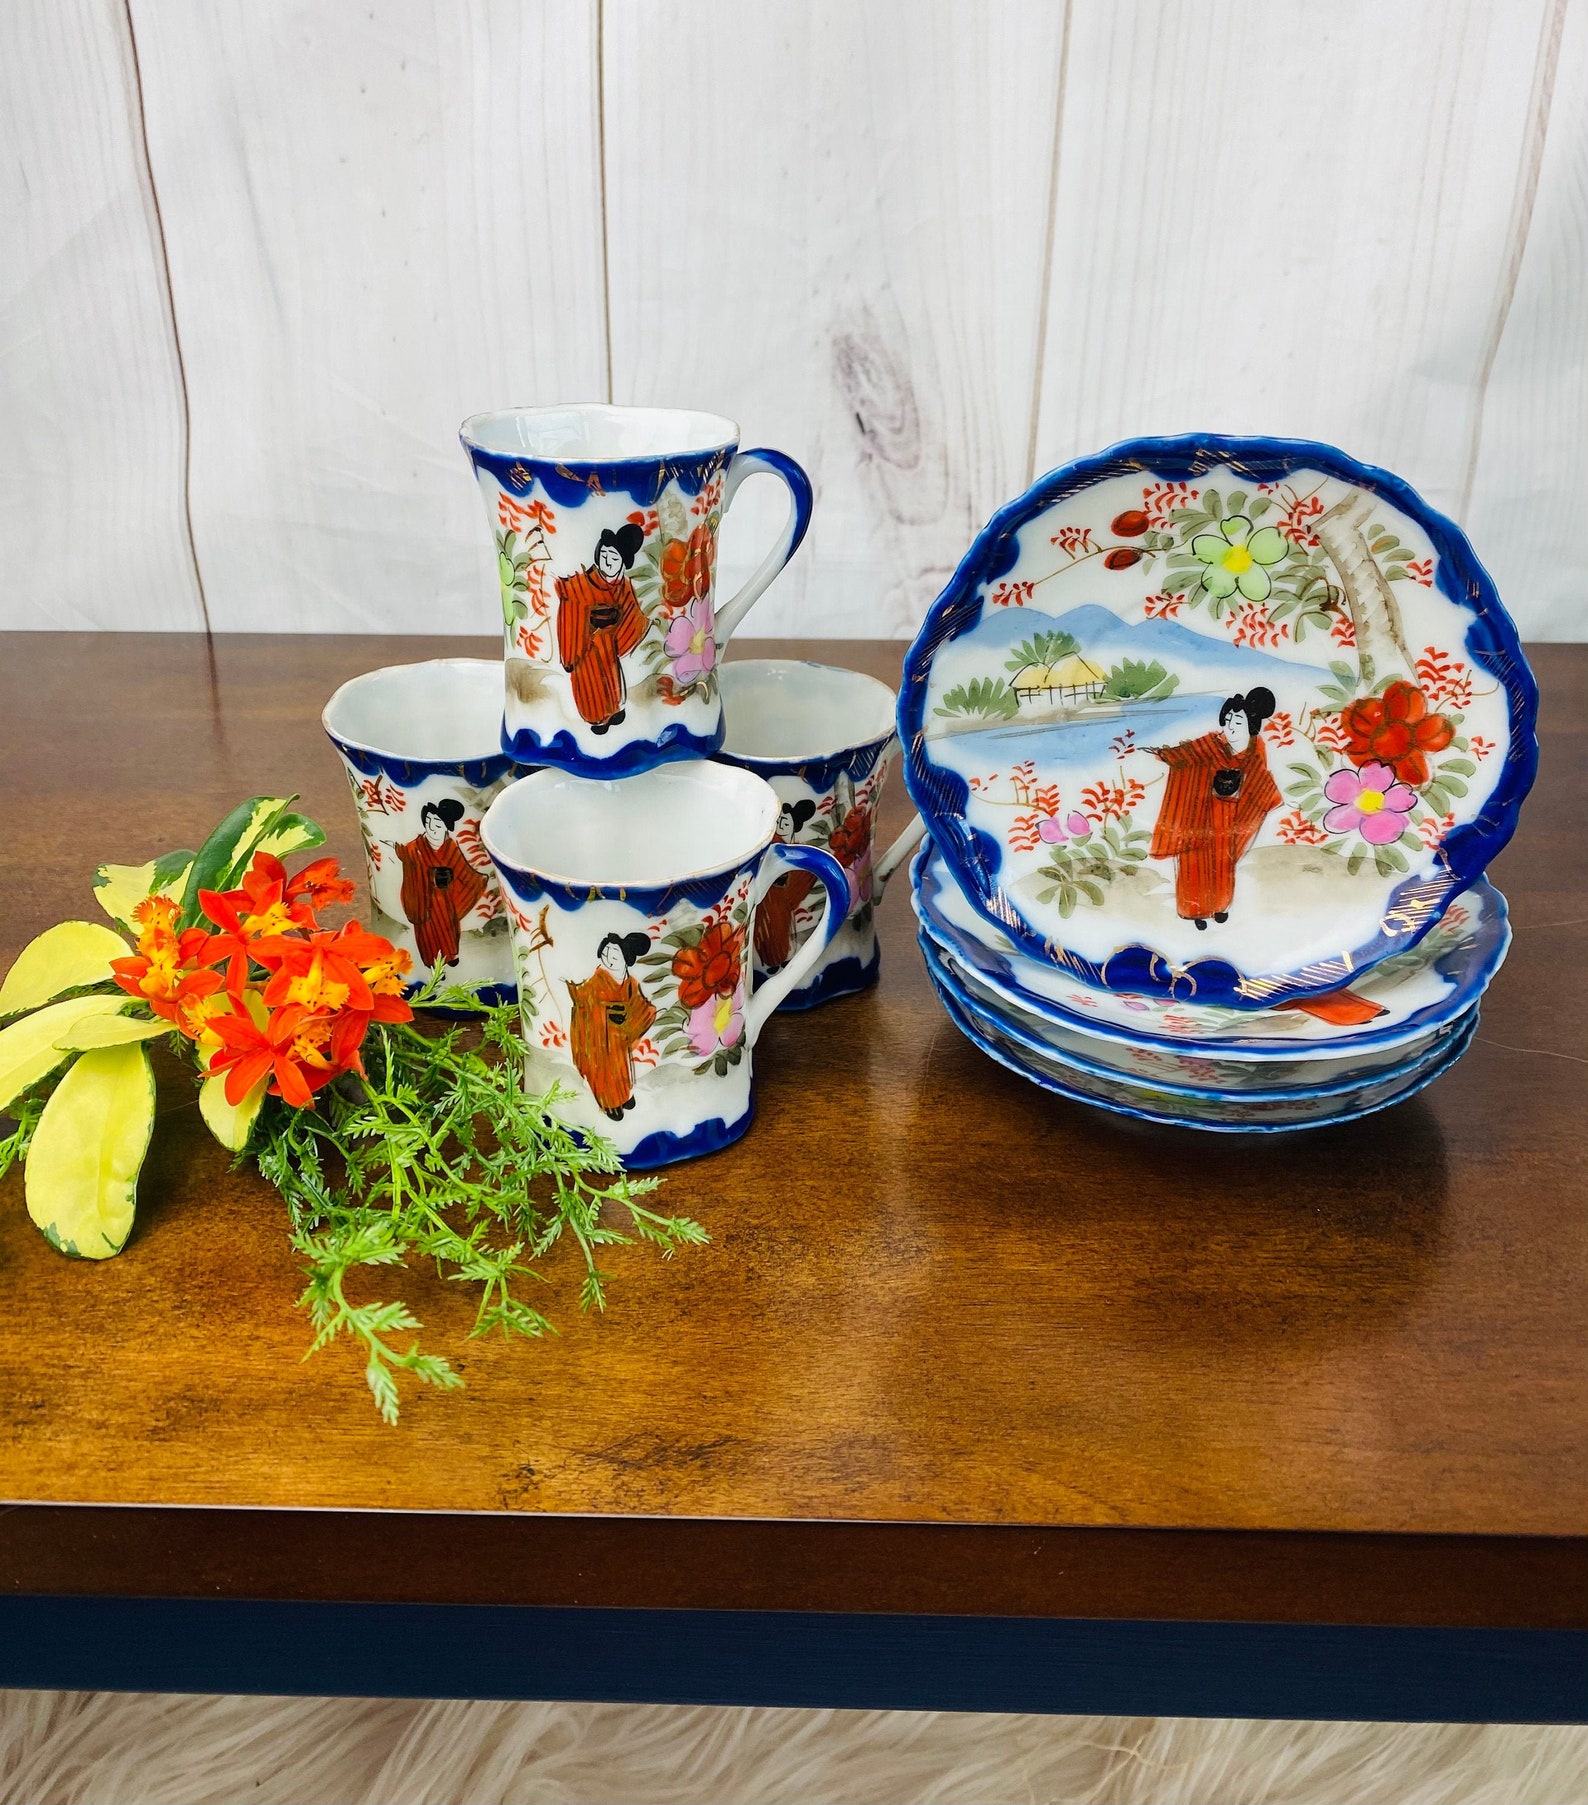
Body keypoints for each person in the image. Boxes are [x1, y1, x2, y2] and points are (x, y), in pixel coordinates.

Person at [1148, 688, 1281, 930]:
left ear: (1250, 724)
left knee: (1222, 864)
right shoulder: (1210, 744)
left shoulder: (1255, 751)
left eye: (1237, 721)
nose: (1230, 726)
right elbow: (1184, 755)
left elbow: (1260, 780)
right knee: (1194, 864)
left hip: (1231, 815)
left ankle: (1220, 908)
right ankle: (1195, 913)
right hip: (1199, 814)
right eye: (1228, 720)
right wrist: (1162, 754)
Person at [555, 522, 648, 734]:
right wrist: (572, 655)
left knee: (611, 681)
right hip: (586, 646)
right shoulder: (579, 585)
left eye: (614, 557)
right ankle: (597, 719)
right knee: (592, 684)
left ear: (623, 562)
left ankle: (613, 711)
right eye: (604, 554)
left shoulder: (623, 585)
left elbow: (632, 614)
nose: (607, 561)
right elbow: (571, 611)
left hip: (608, 645)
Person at [566, 932, 656, 1120]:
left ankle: (623, 1097)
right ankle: (609, 1104)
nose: (609, 959)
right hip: (599, 1037)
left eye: (614, 956)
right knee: (603, 1070)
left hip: (618, 1037)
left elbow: (640, 1005)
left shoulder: (630, 982)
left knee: (621, 1068)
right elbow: (583, 998)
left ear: (626, 960)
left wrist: (633, 1018)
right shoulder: (597, 980)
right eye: (606, 954)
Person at [393, 799, 489, 970]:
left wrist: (477, 880)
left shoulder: (451, 847)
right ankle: (432, 964)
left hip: (445, 902)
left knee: (448, 929)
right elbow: (411, 866)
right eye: (428, 822)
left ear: (446, 827)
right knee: (427, 932)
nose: (431, 828)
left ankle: (450, 955)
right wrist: (408, 861)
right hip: (424, 901)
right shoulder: (414, 847)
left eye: (437, 825)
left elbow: (464, 872)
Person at [754, 798, 819, 970]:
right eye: (779, 821)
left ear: (794, 826)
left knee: (783, 926)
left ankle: (781, 960)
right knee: (768, 928)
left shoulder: (794, 845)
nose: (781, 824)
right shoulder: (773, 838)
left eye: (786, 822)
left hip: (780, 896)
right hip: (769, 895)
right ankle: (771, 962)